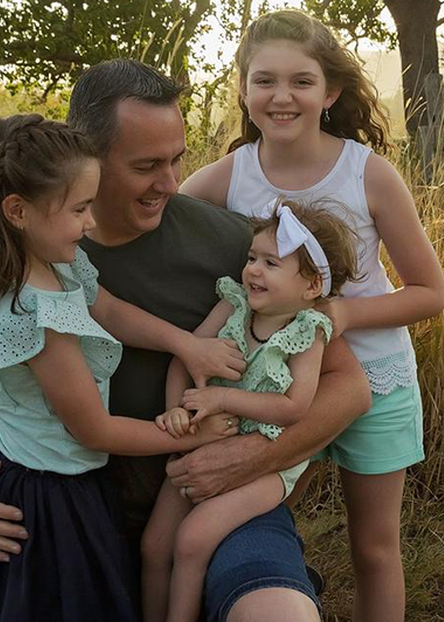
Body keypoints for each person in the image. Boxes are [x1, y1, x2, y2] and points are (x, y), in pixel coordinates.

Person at [0, 59, 373, 622]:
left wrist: (248, 456)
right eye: (147, 165)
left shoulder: (237, 246)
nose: (172, 184)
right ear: (88, 163)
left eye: (177, 159)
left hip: (219, 498)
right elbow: (15, 393)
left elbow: (349, 386)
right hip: (80, 516)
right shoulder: (39, 259)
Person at [180, 10, 444, 621]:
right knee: (264, 517)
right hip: (268, 387)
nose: (282, 96)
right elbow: (159, 214)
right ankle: (276, 593)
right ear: (244, 90)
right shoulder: (232, 173)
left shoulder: (367, 173)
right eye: (264, 80)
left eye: (301, 81)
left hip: (373, 381)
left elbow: (430, 292)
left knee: (375, 547)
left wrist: (342, 315)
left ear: (329, 92)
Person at [0, 113, 246, 621]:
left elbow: (106, 308)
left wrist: (186, 345)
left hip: (54, 478)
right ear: (18, 211)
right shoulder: (39, 315)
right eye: (80, 208)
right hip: (50, 502)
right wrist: (194, 438)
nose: (89, 223)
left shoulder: (56, 266)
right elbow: (94, 429)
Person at [142, 200, 361, 622]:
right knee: (155, 547)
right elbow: (184, 360)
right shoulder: (234, 304)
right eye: (251, 258)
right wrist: (177, 415)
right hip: (199, 444)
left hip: (266, 467)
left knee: (191, 540)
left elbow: (294, 407)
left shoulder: (307, 332)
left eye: (270, 263)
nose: (253, 270)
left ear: (312, 286)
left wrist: (222, 399)